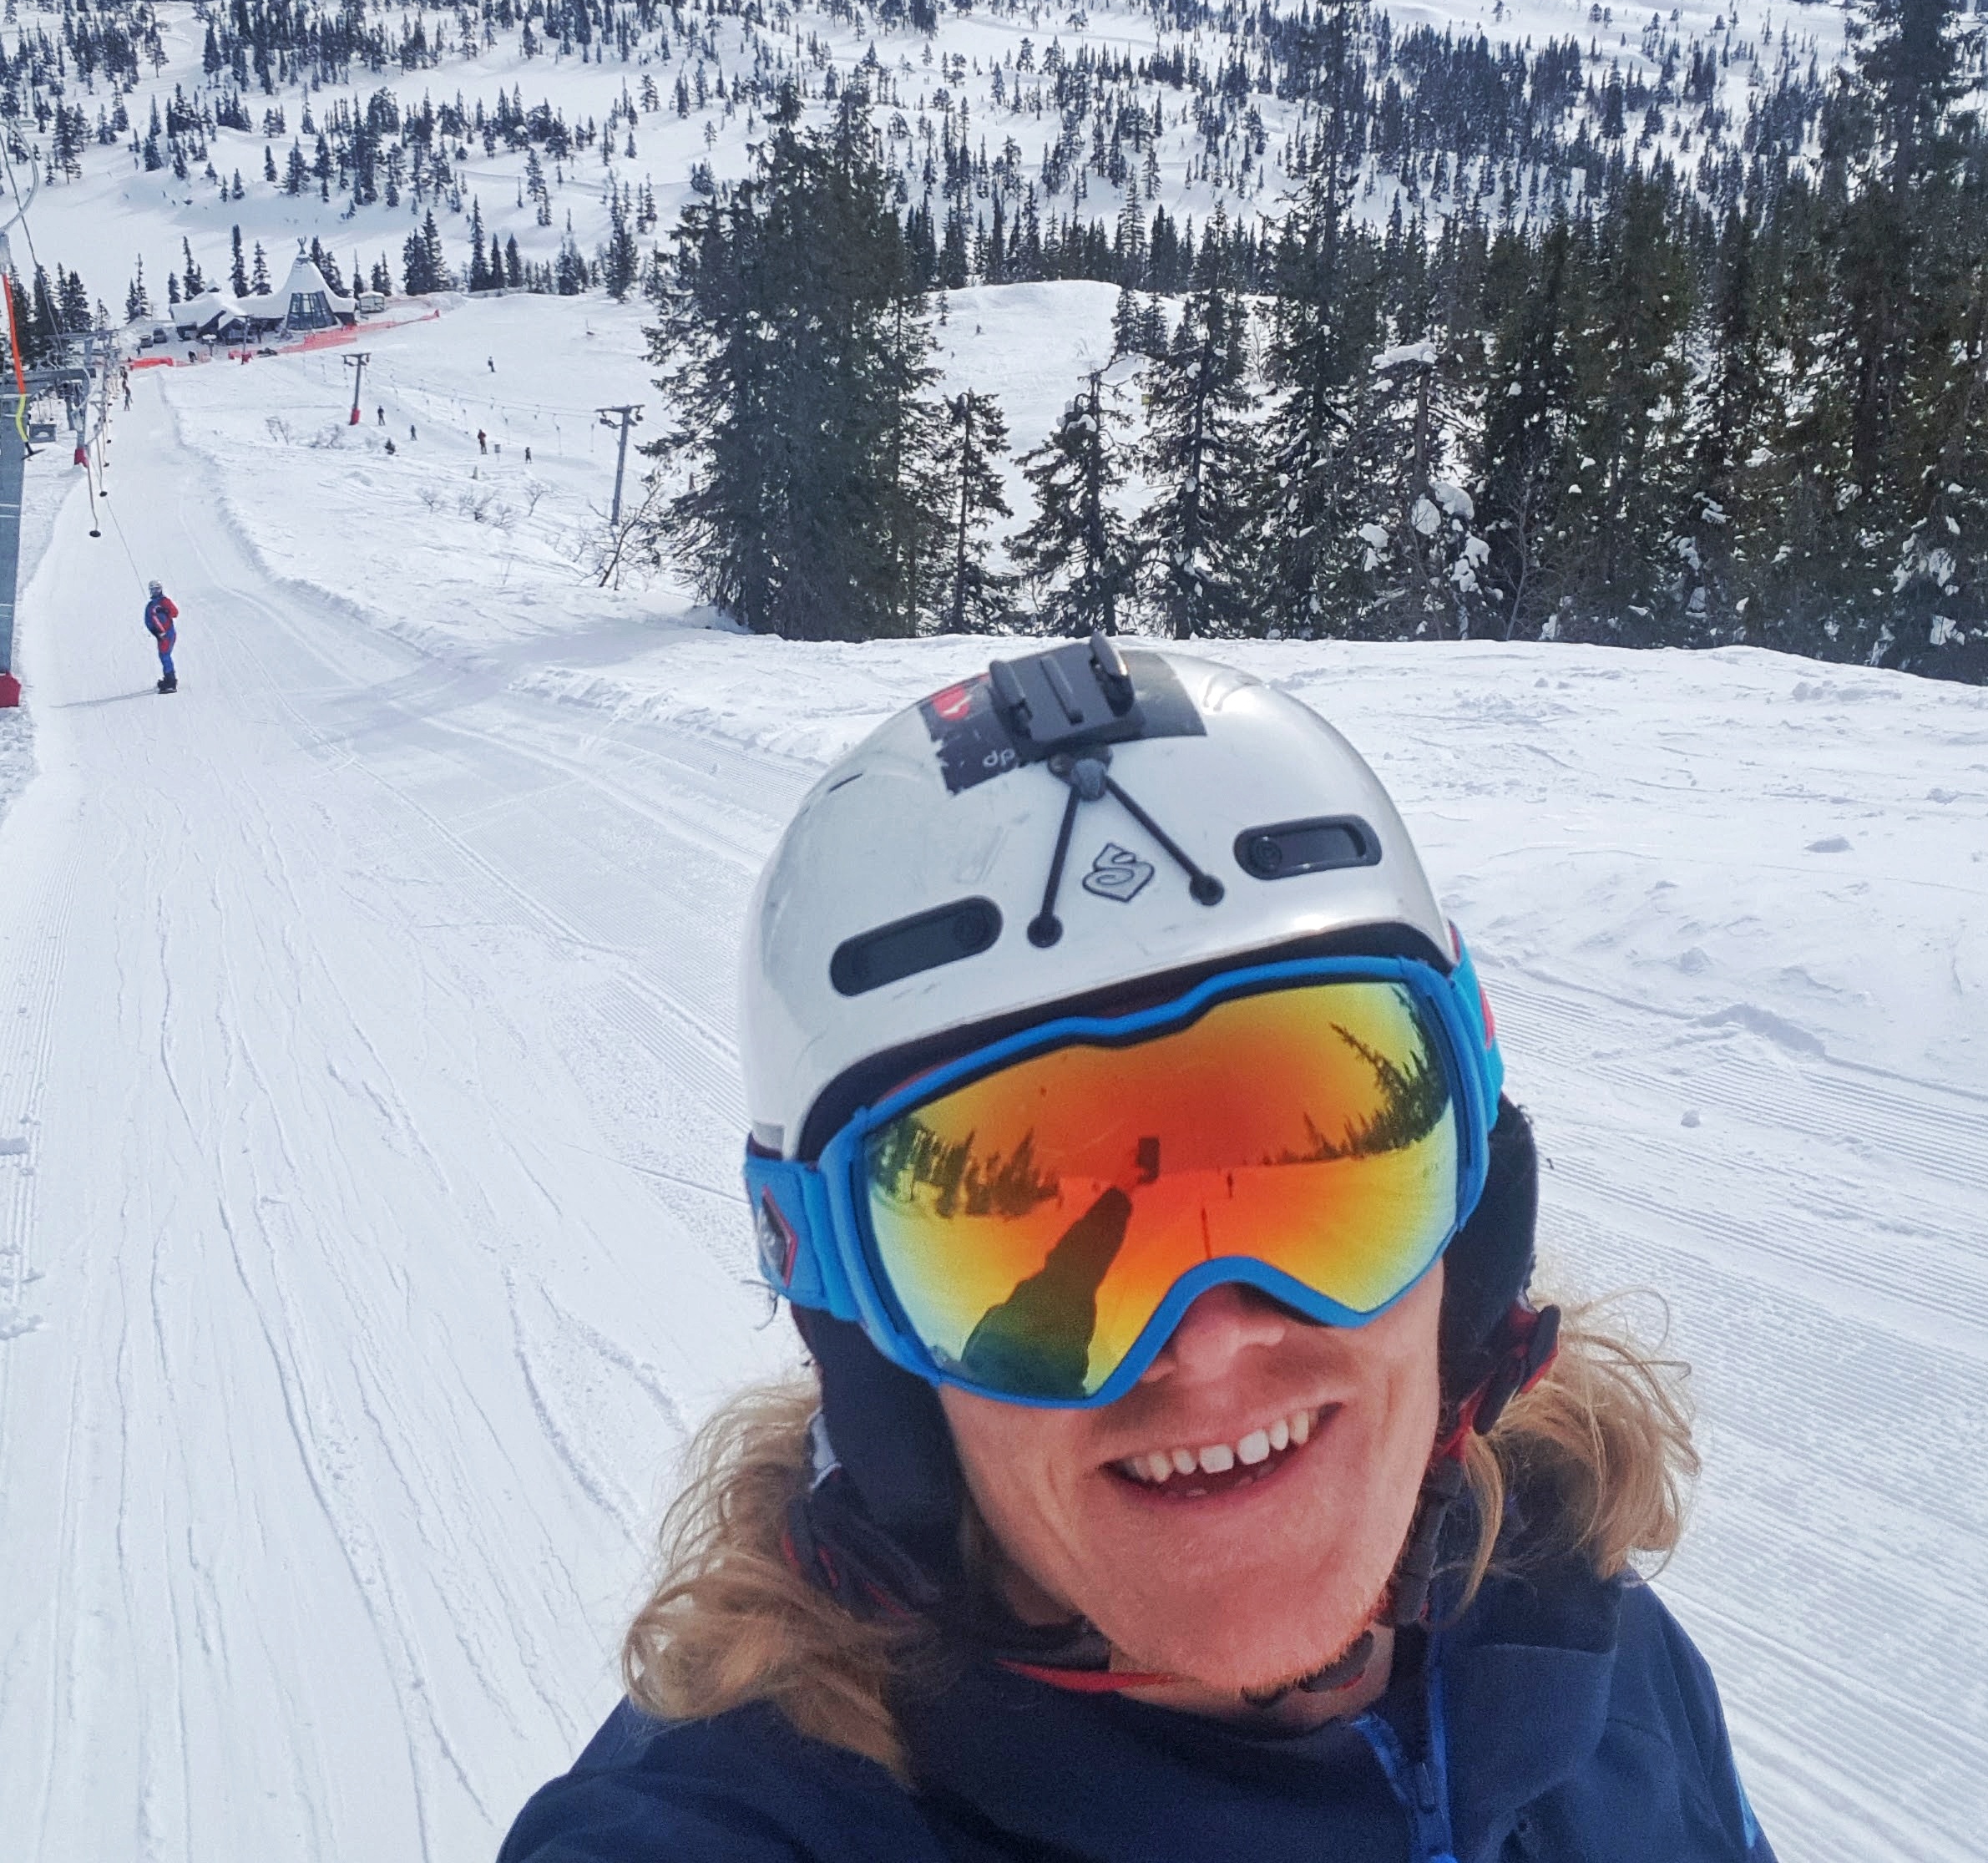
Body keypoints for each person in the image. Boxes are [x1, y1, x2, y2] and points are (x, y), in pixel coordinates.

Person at [499, 639, 1772, 1862]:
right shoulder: (745, 1823)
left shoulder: (1591, 1649)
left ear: (1473, 1217)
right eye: (1022, 1217)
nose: (1210, 1341)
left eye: (1312, 1166)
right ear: (861, 1336)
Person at [144, 580, 178, 693]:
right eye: (153, 589)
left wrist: (165, 610)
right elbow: (148, 622)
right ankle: (169, 678)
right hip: (161, 635)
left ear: (161, 589)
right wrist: (156, 633)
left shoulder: (165, 601)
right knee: (164, 655)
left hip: (169, 633)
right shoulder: (150, 606)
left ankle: (171, 682)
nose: (155, 591)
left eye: (157, 589)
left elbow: (175, 613)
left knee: (165, 655)